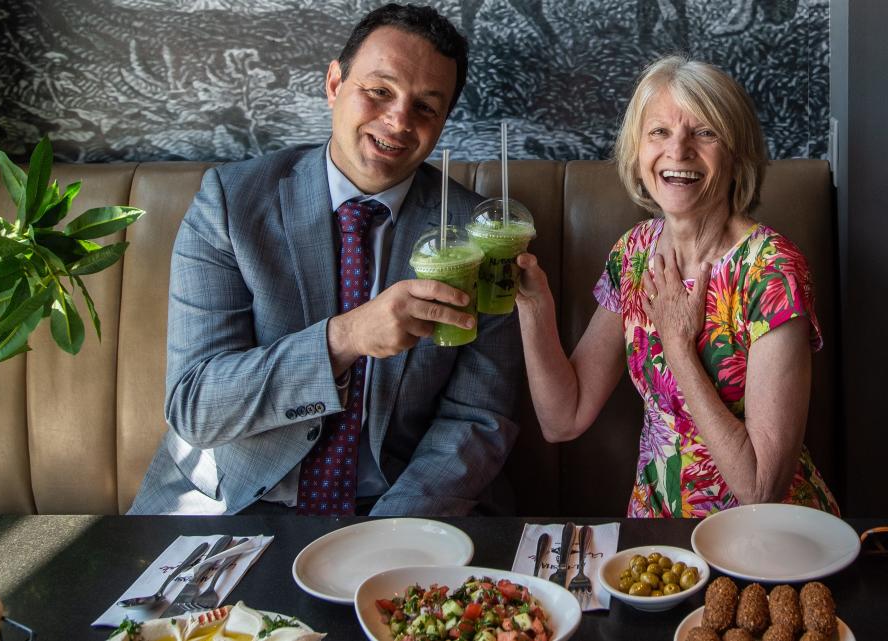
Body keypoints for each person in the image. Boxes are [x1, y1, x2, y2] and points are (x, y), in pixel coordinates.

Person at [128, 3, 521, 517]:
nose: (399, 120)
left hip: (393, 505)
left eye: (426, 107)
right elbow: (196, 405)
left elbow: (478, 417)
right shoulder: (230, 203)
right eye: (378, 91)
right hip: (229, 503)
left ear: (443, 121)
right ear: (335, 84)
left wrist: (387, 532)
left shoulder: (479, 233)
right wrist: (347, 338)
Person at [516, 55, 839, 518]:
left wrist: (679, 347)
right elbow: (562, 420)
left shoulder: (770, 269)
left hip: (763, 539)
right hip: (658, 539)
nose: (679, 150)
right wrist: (534, 308)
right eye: (659, 132)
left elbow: (760, 489)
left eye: (704, 132)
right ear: (638, 151)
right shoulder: (633, 253)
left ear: (736, 153)